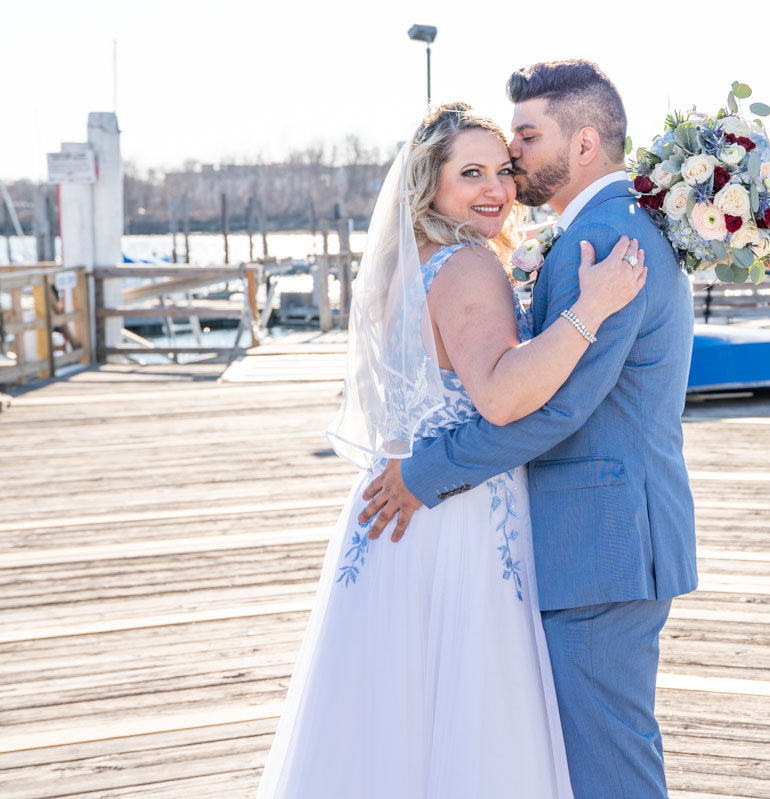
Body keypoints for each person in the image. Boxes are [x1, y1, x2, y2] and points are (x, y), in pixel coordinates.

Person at [257, 102, 647, 798]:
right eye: (470, 173)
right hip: (459, 516)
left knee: (389, 718)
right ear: (427, 182)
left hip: (392, 513)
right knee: (465, 716)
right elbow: (498, 396)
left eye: (502, 169)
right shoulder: (469, 264)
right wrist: (592, 308)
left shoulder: (402, 269)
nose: (495, 187)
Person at [358, 60, 697, 799]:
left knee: (608, 765)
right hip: (589, 536)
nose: (513, 159)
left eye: (526, 137)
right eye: (485, 160)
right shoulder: (603, 227)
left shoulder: (606, 238)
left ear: (581, 145)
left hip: (602, 542)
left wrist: (426, 470)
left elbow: (556, 407)